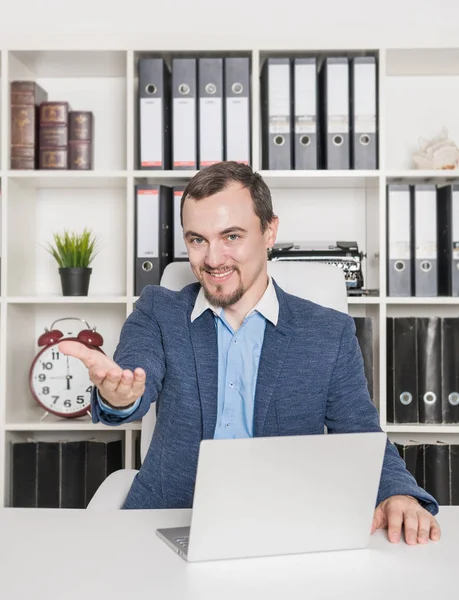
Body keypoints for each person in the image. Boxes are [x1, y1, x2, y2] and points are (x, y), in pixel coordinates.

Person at [59, 161, 441, 545]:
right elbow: (132, 382)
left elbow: (360, 429)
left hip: (281, 525)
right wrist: (119, 395)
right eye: (197, 240)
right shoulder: (158, 311)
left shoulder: (328, 332)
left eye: (231, 236)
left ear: (269, 231)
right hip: (167, 519)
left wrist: (398, 493)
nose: (212, 259)